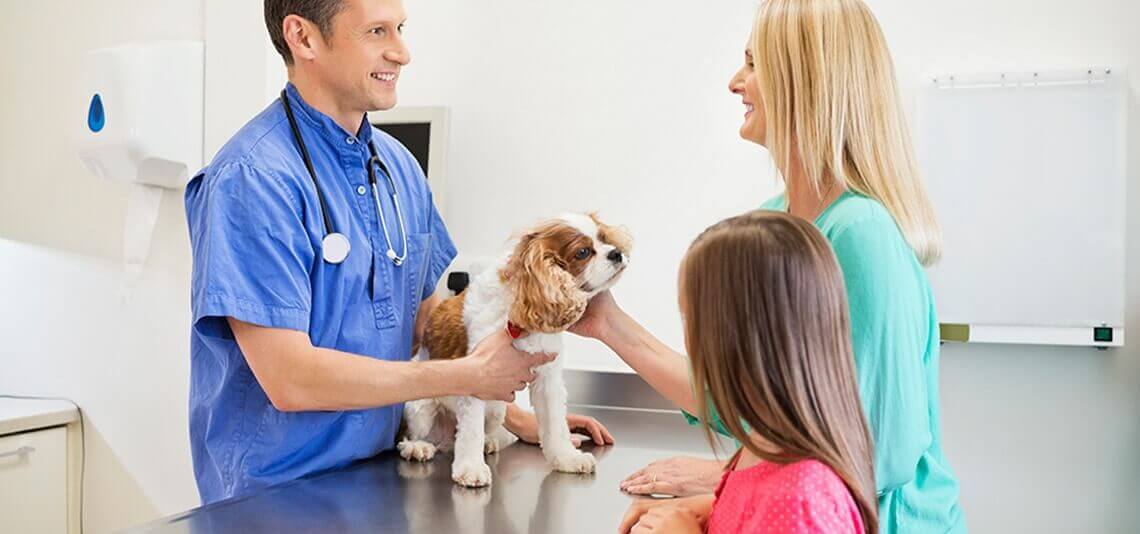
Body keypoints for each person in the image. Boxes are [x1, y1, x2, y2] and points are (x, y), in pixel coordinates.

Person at [185, 0, 609, 504]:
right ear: (302, 38)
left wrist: (513, 413)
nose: (402, 52)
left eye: (401, 29)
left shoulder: (398, 169)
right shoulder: (252, 180)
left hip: (381, 477)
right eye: (377, 31)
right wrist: (466, 375)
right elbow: (289, 379)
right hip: (274, 496)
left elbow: (426, 324)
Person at [571, 0, 966, 531]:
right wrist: (607, 324)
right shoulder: (775, 218)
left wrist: (722, 485)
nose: (736, 82)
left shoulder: (862, 236)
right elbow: (747, 399)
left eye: (754, 64)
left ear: (805, 80)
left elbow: (875, 453)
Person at [619, 211, 877, 534]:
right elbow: (749, 512)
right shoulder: (763, 446)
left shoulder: (801, 501)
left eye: (689, 318)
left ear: (732, 337)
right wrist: (692, 509)